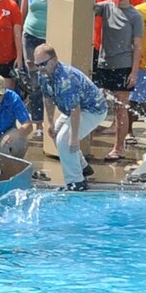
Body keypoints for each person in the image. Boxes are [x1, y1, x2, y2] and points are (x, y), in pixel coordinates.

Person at [31, 43, 109, 190]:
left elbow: (75, 109)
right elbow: (47, 98)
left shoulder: (66, 78)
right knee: (55, 134)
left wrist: (73, 138)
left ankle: (76, 182)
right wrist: (51, 123)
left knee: (64, 140)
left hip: (93, 110)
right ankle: (83, 166)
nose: (40, 68)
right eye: (37, 65)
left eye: (43, 64)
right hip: (72, 110)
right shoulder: (44, 74)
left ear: (54, 60)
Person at [95, 0, 143, 160]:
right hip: (104, 63)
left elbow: (138, 45)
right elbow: (86, 6)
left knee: (120, 108)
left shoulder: (135, 16)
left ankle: (118, 148)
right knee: (96, 103)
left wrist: (134, 72)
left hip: (124, 65)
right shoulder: (106, 7)